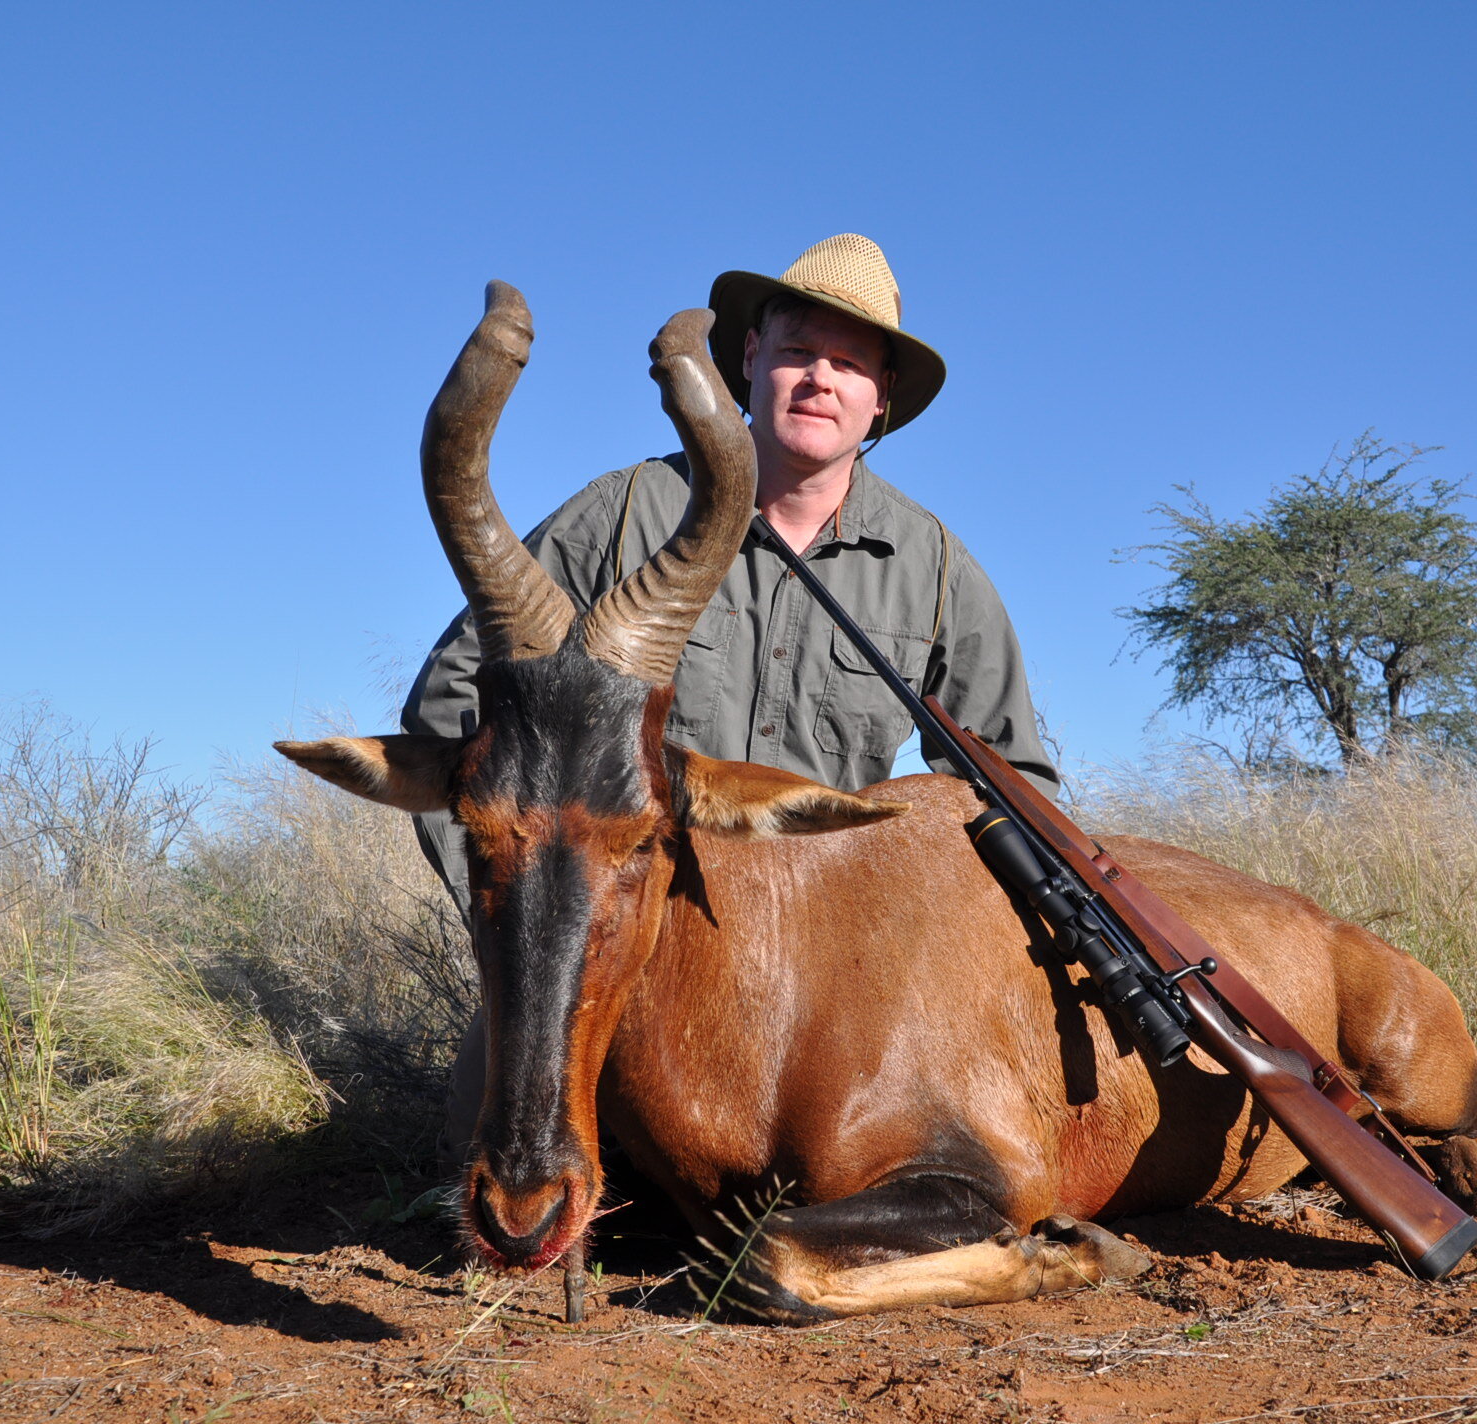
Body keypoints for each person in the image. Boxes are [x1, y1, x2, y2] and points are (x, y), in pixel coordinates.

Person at [401, 234, 1059, 1164]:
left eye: (849, 364)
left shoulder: (936, 569)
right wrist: (526, 909)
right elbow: (450, 707)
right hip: (613, 941)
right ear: (748, 360)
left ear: (882, 402)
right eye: (795, 351)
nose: (818, 379)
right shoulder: (619, 514)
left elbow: (1016, 787)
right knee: (497, 1152)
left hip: (826, 965)